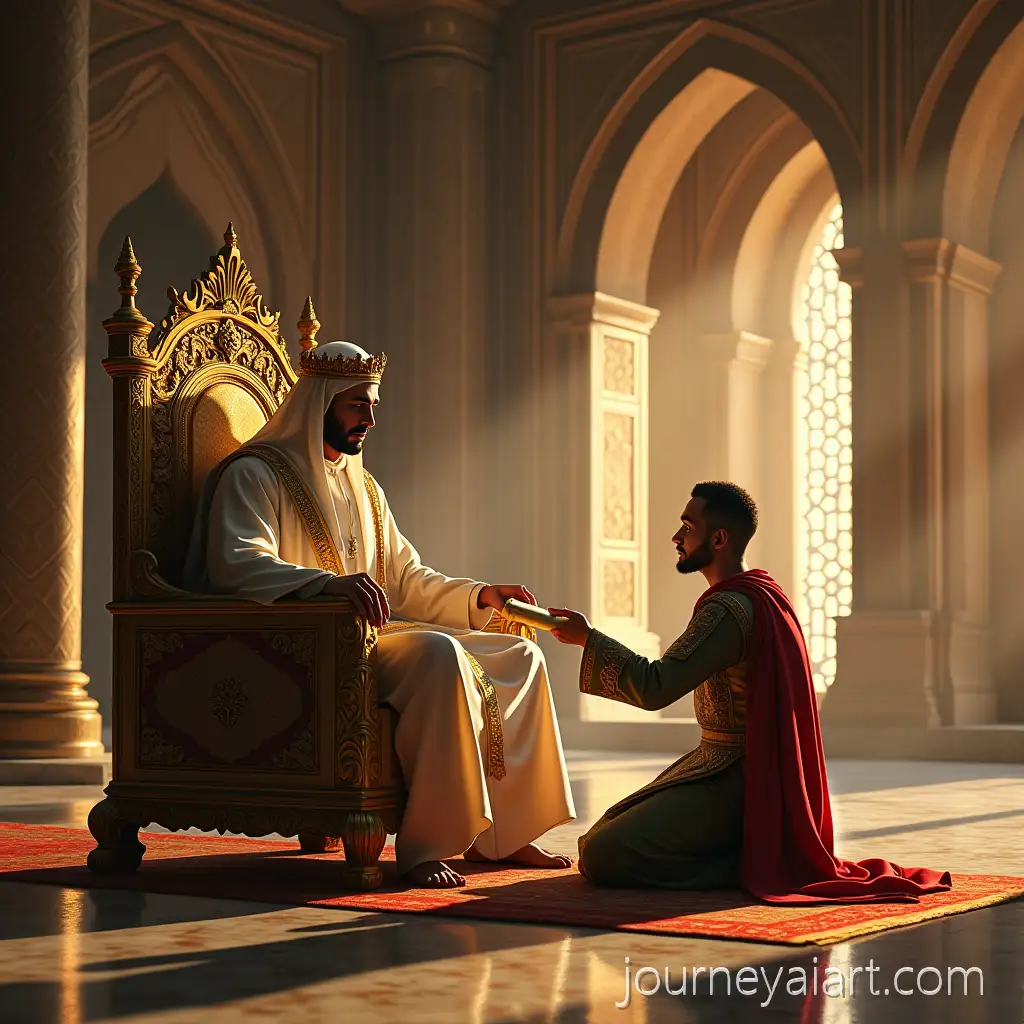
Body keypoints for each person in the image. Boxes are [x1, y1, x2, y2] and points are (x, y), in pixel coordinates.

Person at [184, 341, 575, 888]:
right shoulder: (254, 474)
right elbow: (236, 563)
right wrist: (326, 585)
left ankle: (505, 836)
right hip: (303, 644)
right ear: (318, 403)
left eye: (372, 405)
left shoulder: (363, 486)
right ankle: (427, 847)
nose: (369, 418)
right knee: (440, 654)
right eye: (356, 406)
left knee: (521, 654)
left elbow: (407, 580)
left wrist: (479, 595)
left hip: (371, 638)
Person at [549, 481, 951, 904]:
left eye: (687, 526)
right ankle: (754, 854)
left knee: (602, 854)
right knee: (600, 834)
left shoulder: (727, 610)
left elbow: (655, 687)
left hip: (740, 779)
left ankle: (748, 864)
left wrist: (588, 639)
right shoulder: (756, 595)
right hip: (719, 763)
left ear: (718, 538)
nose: (676, 538)